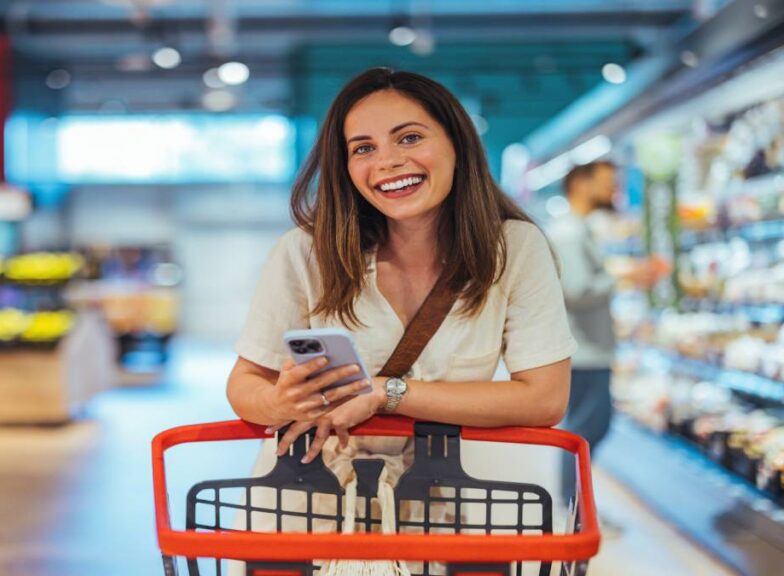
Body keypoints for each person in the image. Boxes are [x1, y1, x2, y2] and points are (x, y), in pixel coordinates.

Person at [225, 67, 578, 555]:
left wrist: (387, 393)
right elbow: (244, 384)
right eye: (363, 148)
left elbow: (544, 399)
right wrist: (281, 404)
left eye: (409, 137)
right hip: (310, 506)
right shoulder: (305, 252)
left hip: (454, 505)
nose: (388, 162)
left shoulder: (514, 248)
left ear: (457, 143)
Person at [547, 161, 663, 509]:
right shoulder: (569, 232)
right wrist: (626, 276)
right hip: (583, 350)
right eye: (607, 183)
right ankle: (573, 510)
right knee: (585, 431)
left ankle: (575, 506)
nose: (614, 191)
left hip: (588, 348)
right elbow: (578, 289)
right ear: (581, 185)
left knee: (587, 429)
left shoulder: (577, 230)